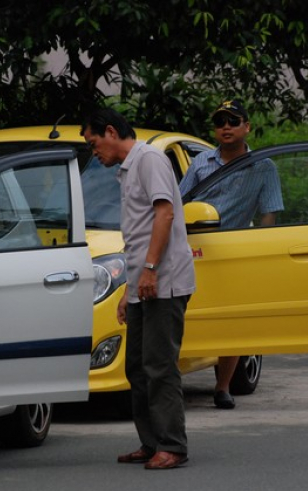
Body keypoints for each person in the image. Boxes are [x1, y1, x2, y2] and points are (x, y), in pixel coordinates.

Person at [81, 109, 196, 470]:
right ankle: (151, 441)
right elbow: (137, 233)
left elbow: (164, 215)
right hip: (143, 284)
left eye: (94, 142)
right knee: (137, 367)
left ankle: (172, 445)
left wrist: (148, 270)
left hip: (165, 281)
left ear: (111, 132)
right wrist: (128, 290)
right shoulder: (127, 169)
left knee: (160, 365)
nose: (93, 151)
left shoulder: (149, 159)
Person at [179, 99, 284, 410]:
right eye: (220, 122)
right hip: (194, 249)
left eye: (233, 121)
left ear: (246, 127)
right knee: (187, 314)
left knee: (232, 321)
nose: (225, 127)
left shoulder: (263, 167)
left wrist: (262, 253)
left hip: (234, 252)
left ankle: (222, 387)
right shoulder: (200, 163)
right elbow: (177, 201)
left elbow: (269, 215)